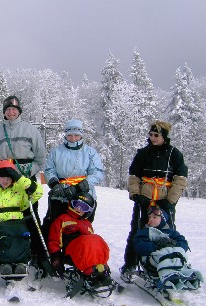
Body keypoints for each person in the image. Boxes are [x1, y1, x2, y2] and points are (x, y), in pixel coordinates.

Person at [121, 120, 188, 278]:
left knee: (167, 232)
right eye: (150, 135)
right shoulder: (143, 153)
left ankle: (168, 262)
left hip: (164, 200)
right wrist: (136, 194)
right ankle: (131, 264)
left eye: (156, 135)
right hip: (145, 199)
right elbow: (134, 176)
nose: (152, 138)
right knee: (138, 231)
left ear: (164, 136)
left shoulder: (174, 154)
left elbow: (180, 180)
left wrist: (170, 200)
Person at [0, 95, 47, 268]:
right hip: (5, 179)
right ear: (4, 113)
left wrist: (31, 170)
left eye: (14, 109)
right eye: (8, 110)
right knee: (5, 213)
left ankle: (37, 252)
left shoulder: (30, 130)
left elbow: (41, 157)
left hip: (25, 177)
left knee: (30, 215)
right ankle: (7, 248)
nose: (11, 112)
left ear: (19, 111)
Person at [42, 119, 104, 275]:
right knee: (56, 226)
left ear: (81, 135)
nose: (73, 138)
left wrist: (81, 187)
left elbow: (97, 173)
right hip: (61, 194)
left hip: (83, 195)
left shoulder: (90, 152)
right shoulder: (56, 151)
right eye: (70, 135)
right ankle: (54, 256)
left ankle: (81, 255)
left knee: (81, 227)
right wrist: (55, 184)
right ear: (66, 135)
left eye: (76, 135)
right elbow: (49, 169)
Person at [47, 192, 113, 290]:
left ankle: (102, 268)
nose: (79, 209)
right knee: (89, 241)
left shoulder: (87, 223)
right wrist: (56, 257)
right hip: (71, 247)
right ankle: (90, 274)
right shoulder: (63, 219)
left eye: (84, 208)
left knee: (97, 240)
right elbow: (54, 239)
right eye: (77, 205)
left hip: (86, 247)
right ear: (71, 204)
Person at [133, 206, 202, 292]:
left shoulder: (171, 232)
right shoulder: (145, 232)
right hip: (153, 261)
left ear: (162, 219)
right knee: (164, 254)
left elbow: (184, 244)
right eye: (150, 217)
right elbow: (139, 247)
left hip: (172, 257)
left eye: (154, 217)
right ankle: (169, 276)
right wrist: (156, 245)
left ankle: (183, 274)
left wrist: (173, 243)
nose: (151, 219)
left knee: (178, 253)